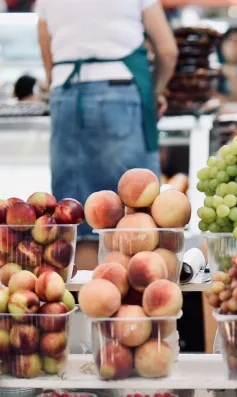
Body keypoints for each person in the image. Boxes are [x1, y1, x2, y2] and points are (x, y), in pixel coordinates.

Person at [36, 0, 177, 267]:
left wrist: (59, 83)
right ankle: (130, 296)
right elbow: (168, 50)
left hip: (67, 94)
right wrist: (156, 89)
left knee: (76, 217)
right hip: (120, 92)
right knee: (135, 212)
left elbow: (46, 45)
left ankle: (85, 298)